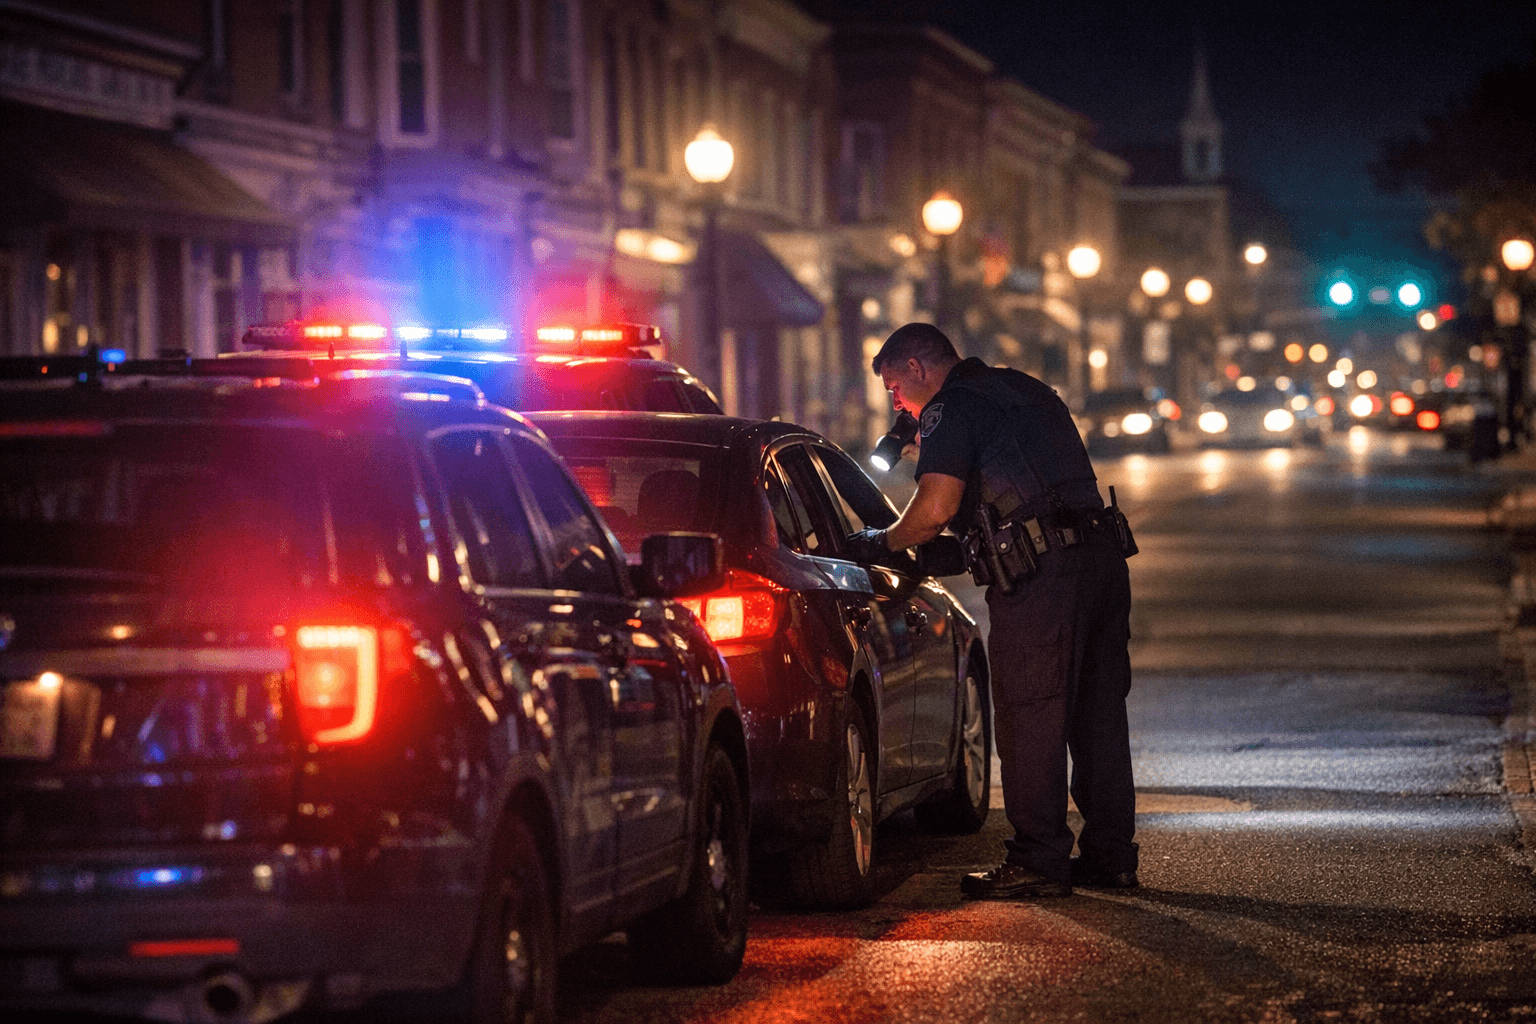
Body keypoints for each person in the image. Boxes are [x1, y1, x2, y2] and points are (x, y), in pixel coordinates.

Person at [846, 322, 1139, 899]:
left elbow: (933, 509)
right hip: (1101, 561)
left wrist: (881, 542)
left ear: (916, 369)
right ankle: (1111, 858)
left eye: (895, 390)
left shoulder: (951, 409)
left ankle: (1037, 859)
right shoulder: (1027, 389)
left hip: (1043, 579)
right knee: (1097, 715)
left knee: (1031, 713)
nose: (897, 403)